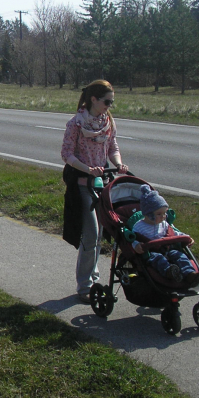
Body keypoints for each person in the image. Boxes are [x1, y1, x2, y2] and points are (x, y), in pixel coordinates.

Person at [61, 79, 129, 304]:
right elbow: (67, 154)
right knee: (90, 234)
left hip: (103, 185)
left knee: (101, 234)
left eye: (112, 102)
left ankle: (93, 276)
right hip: (82, 185)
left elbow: (112, 147)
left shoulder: (107, 121)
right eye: (107, 102)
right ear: (93, 99)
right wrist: (88, 169)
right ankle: (85, 286)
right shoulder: (77, 123)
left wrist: (118, 163)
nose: (110, 106)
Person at [131, 185, 199, 284]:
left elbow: (174, 232)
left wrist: (185, 237)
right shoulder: (139, 226)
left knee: (180, 255)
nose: (163, 216)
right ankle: (168, 272)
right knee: (157, 258)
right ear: (148, 214)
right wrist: (136, 245)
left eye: (164, 213)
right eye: (159, 214)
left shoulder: (164, 224)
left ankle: (190, 274)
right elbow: (132, 239)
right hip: (152, 252)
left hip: (168, 249)